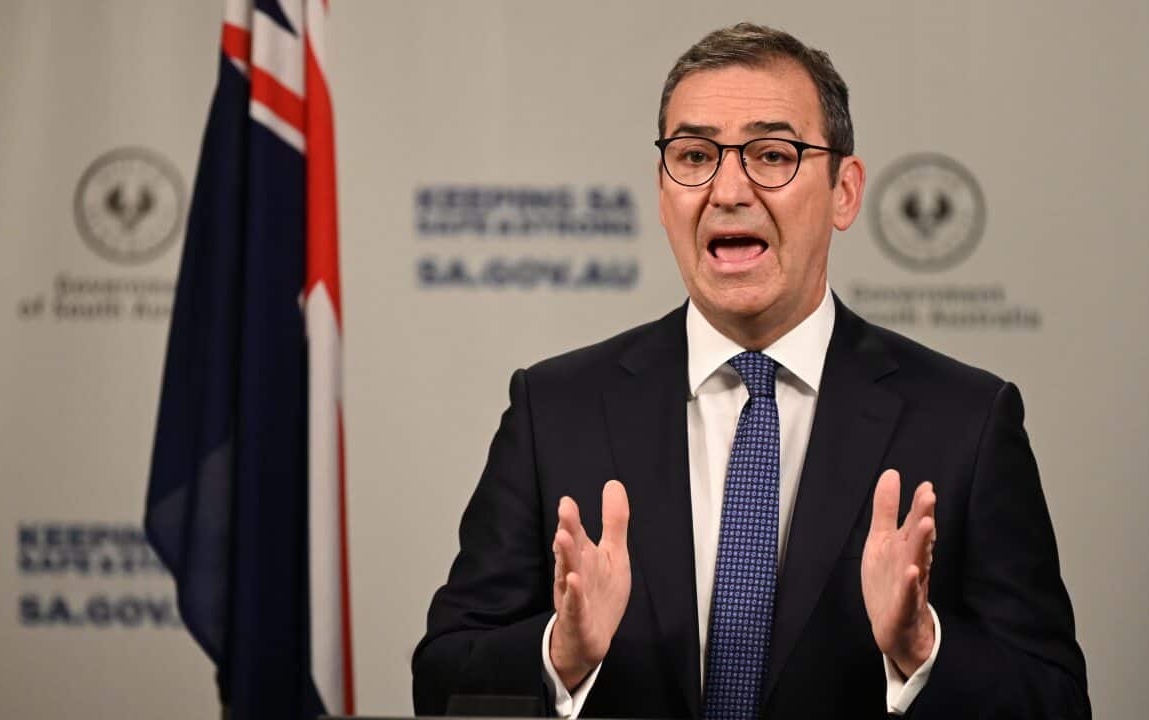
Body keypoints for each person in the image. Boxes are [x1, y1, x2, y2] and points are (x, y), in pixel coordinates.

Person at [413, 22, 1090, 719]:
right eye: (695, 155)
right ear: (661, 188)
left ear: (844, 191)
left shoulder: (965, 422)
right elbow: (441, 683)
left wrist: (923, 649)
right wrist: (563, 654)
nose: (728, 189)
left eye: (772, 154)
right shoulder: (553, 410)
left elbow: (1057, 701)